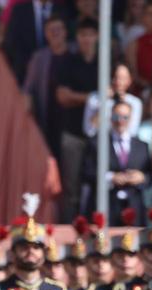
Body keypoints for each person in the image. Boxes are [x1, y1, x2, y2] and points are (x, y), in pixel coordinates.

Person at [52, 18, 100, 217]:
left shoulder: (104, 62)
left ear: (97, 36)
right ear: (77, 38)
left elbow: (110, 93)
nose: (86, 39)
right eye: (83, 35)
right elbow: (62, 96)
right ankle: (71, 227)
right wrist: (91, 98)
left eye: (90, 35)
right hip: (73, 133)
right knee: (72, 187)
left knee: (98, 182)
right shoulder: (68, 62)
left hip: (98, 134)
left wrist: (77, 97)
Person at [82, 98, 152, 222]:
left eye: (125, 117)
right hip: (106, 207)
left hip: (134, 208)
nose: (120, 121)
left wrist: (141, 177)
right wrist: (111, 177)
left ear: (130, 119)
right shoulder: (97, 142)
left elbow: (150, 175)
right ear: (111, 118)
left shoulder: (142, 146)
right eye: (116, 117)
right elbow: (86, 172)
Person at [23, 15, 74, 151]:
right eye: (51, 30)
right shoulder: (39, 57)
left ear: (65, 32)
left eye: (58, 29)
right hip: (48, 118)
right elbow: (28, 89)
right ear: (45, 34)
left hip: (72, 121)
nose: (55, 33)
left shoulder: (75, 52)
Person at [4, 0, 72, 86]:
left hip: (57, 76)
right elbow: (11, 43)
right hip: (25, 74)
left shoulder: (62, 10)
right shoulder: (19, 10)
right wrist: (32, 66)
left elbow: (67, 41)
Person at [84, 62, 143, 139]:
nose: (118, 82)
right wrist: (104, 102)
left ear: (129, 81)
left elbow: (132, 132)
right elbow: (89, 130)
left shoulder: (135, 103)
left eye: (123, 78)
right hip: (98, 144)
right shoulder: (95, 98)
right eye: (116, 77)